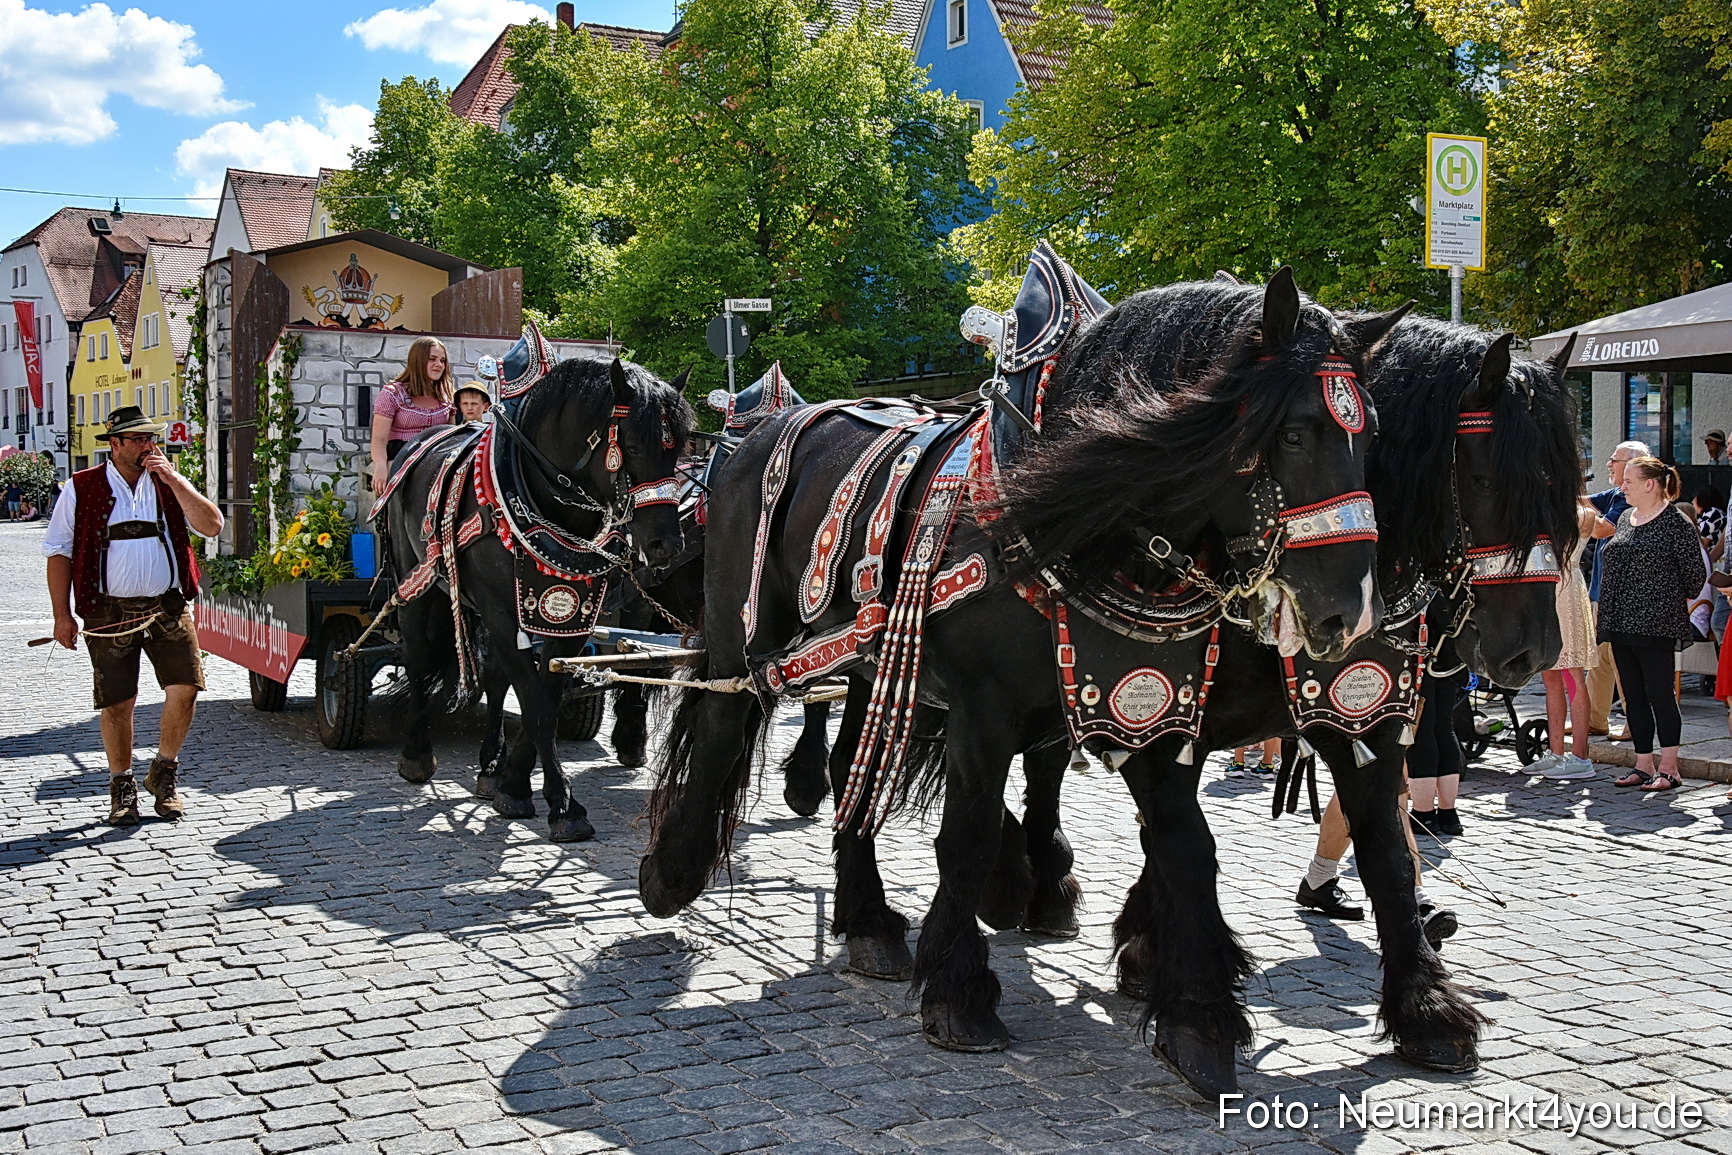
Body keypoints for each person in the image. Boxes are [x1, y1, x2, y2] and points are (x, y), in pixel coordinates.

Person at [42, 407, 225, 826]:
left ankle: (163, 773)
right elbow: (58, 552)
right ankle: (122, 785)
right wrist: (62, 616)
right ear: (117, 443)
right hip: (109, 611)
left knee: (186, 688)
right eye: (140, 439)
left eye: (152, 439)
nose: (149, 446)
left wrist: (174, 479)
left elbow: (212, 526)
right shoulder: (81, 487)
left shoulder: (168, 483)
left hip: (167, 606)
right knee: (118, 703)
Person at [1597, 457, 1707, 791]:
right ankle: (1643, 762)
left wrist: (1659, 593)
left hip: (1657, 625)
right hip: (1621, 622)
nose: (1622, 486)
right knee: (1633, 696)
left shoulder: (1676, 523)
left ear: (1650, 484)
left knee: (1659, 694)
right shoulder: (1628, 519)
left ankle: (1670, 767)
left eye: (1629, 480)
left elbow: (1695, 577)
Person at [1531, 494, 1615, 780]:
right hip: (1547, 589)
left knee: (1572, 673)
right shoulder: (1556, 509)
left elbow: (1608, 528)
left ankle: (1580, 755)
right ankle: (1556, 752)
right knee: (1551, 675)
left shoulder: (1576, 512)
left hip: (1564, 590)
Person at [1585, 442, 1647, 738]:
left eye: (1614, 460)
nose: (1608, 464)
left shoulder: (1629, 498)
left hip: (1623, 595)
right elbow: (1584, 501)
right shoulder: (1614, 494)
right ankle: (1595, 719)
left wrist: (1573, 512)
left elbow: (1599, 529)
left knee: (1624, 661)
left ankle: (1635, 723)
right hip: (1602, 592)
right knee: (1599, 658)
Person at [369, 336, 454, 496]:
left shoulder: (446, 395)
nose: (439, 365)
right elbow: (379, 438)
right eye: (432, 359)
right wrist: (380, 465)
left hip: (437, 456)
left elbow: (452, 433)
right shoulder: (392, 394)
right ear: (418, 361)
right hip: (402, 454)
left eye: (442, 361)